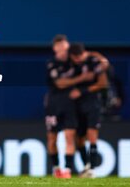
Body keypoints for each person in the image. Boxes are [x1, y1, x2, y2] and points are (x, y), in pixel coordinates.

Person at [45, 35, 95, 178]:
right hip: (53, 104)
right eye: (60, 48)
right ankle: (56, 168)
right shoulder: (52, 64)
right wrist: (81, 78)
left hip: (70, 104)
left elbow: (93, 62)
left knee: (70, 136)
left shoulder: (75, 62)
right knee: (52, 138)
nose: (63, 51)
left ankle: (67, 170)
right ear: (55, 49)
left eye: (65, 48)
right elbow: (60, 83)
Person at [69, 43, 109, 178]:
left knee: (92, 134)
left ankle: (92, 169)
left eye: (80, 56)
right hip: (77, 105)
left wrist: (82, 91)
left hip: (92, 103)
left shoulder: (94, 61)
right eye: (76, 57)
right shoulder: (71, 64)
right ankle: (86, 165)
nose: (78, 60)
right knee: (78, 138)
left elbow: (103, 83)